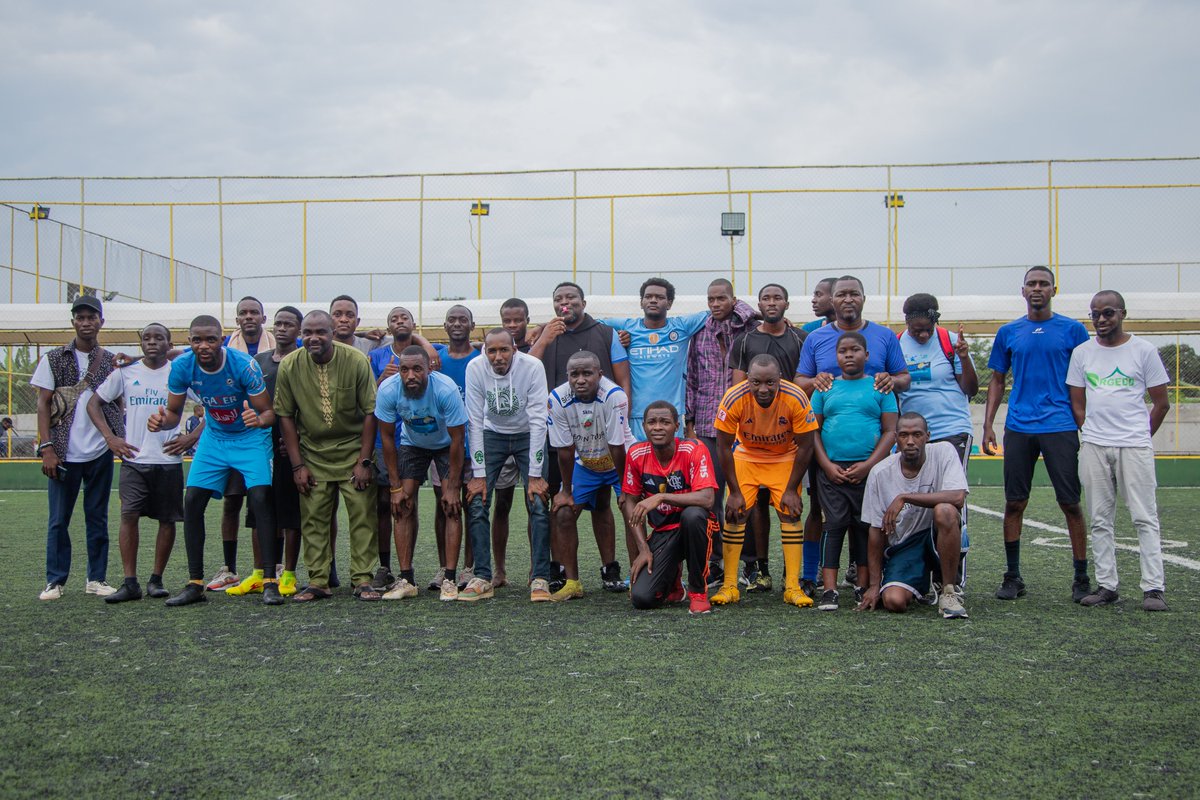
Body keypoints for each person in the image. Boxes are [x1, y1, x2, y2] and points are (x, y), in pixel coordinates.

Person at [151, 315, 281, 607]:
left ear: (222, 339)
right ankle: (195, 583)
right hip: (215, 438)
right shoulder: (182, 366)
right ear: (190, 342)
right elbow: (172, 414)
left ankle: (270, 580)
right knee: (193, 500)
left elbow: (269, 413)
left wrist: (257, 419)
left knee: (260, 498)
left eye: (211, 339)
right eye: (197, 340)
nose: (204, 345)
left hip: (249, 438)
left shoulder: (243, 366)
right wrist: (162, 422)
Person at [983, 265, 1092, 602]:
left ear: (1054, 290)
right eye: (1031, 283)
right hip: (1019, 425)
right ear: (1023, 291)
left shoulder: (1073, 331)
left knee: (1070, 503)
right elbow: (997, 380)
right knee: (1015, 502)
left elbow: (1087, 378)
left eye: (1044, 284)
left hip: (1060, 425)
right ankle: (1013, 576)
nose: (1037, 289)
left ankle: (1081, 578)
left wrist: (1088, 423)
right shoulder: (1009, 332)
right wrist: (988, 424)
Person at [797, 275, 909, 596]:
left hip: (869, 447)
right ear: (832, 301)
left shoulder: (885, 336)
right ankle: (812, 574)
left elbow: (904, 378)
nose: (848, 299)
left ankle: (868, 577)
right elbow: (798, 380)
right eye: (841, 294)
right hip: (829, 444)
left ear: (863, 298)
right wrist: (815, 380)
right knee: (821, 511)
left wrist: (891, 379)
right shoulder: (815, 338)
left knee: (867, 518)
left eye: (854, 294)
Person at [1068, 291, 1171, 612]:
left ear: (1122, 313)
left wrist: (1139, 434)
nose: (1101, 320)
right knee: (1099, 518)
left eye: (1108, 313)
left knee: (1144, 516)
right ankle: (1107, 586)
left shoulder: (1144, 351)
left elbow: (1161, 402)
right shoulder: (1082, 353)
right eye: (1095, 314)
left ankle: (1153, 588)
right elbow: (1077, 401)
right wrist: (1092, 432)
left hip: (1135, 445)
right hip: (1095, 446)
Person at [86, 323, 200, 603]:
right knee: (128, 516)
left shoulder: (179, 373)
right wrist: (111, 438)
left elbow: (211, 405)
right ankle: (130, 582)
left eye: (158, 338)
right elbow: (93, 404)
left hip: (168, 459)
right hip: (134, 459)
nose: (152, 342)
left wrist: (191, 437)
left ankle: (156, 580)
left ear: (168, 343)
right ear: (141, 343)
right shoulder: (125, 372)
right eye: (147, 338)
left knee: (168, 519)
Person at [531, 282, 631, 591]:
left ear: (583, 302)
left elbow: (623, 380)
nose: (565, 303)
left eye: (570, 297)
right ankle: (563, 573)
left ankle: (612, 570)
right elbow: (526, 367)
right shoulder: (546, 334)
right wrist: (544, 338)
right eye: (558, 298)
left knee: (607, 505)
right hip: (563, 430)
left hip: (607, 432)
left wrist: (620, 416)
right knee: (560, 505)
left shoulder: (606, 333)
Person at [276, 310, 381, 601]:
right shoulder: (290, 365)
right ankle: (318, 581)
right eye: (307, 333)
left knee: (362, 515)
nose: (313, 338)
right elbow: (285, 415)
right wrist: (298, 465)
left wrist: (364, 462)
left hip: (353, 452)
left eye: (320, 332)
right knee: (314, 518)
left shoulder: (356, 360)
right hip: (312, 454)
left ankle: (362, 580)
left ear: (332, 332)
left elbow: (371, 413)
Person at [33, 295, 123, 600]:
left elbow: (119, 401)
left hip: (99, 451)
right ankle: (55, 581)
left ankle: (95, 578)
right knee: (59, 519)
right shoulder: (54, 358)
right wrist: (47, 447)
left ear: (101, 322)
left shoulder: (111, 361)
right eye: (80, 317)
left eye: (91, 317)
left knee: (97, 517)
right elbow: (43, 404)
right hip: (62, 452)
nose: (86, 323)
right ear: (73, 322)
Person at [710, 354, 818, 608]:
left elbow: (806, 446)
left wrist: (792, 488)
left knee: (791, 512)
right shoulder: (734, 397)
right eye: (756, 382)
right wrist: (734, 491)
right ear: (747, 379)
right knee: (736, 512)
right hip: (747, 456)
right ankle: (729, 586)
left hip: (784, 457)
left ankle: (792, 587)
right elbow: (723, 448)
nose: (763, 389)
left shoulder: (796, 397)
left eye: (770, 382)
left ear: (780, 378)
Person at [811, 331, 899, 611]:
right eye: (843, 351)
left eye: (855, 350)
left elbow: (890, 431)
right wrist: (826, 465)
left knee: (864, 528)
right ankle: (829, 590)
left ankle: (862, 586)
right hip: (832, 470)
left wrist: (869, 465)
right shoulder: (825, 389)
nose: (849, 355)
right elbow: (812, 431)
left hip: (869, 473)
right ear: (836, 357)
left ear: (867, 356)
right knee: (833, 526)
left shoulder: (880, 388)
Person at [727, 283, 807, 593]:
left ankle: (793, 576)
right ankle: (761, 570)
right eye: (766, 298)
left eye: (777, 297)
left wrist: (794, 413)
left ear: (787, 302)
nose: (771, 302)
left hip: (789, 433)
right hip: (751, 438)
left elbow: (805, 379)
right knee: (753, 505)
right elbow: (737, 389)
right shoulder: (746, 339)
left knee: (790, 505)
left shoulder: (800, 338)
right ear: (758, 303)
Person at [463, 328, 552, 601]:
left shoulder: (533, 367)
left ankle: (540, 577)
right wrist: (478, 474)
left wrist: (535, 475)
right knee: (477, 499)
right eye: (492, 351)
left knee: (537, 501)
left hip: (528, 434)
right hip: (492, 434)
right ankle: (482, 576)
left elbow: (539, 419)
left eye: (504, 350)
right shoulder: (475, 368)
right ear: (485, 351)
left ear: (515, 349)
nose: (498, 356)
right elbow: (475, 422)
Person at [896, 293, 978, 587]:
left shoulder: (948, 341)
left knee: (950, 504)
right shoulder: (896, 344)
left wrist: (965, 357)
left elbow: (970, 389)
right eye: (917, 329)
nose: (922, 334)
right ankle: (920, 575)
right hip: (913, 434)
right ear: (906, 322)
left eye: (927, 329)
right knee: (918, 503)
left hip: (952, 429)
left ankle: (952, 580)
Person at [375, 347, 468, 601]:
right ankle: (406, 579)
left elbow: (459, 439)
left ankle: (449, 579)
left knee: (450, 506)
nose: (410, 375)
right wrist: (395, 488)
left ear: (429, 368)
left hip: (446, 445)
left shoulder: (446, 390)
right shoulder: (388, 390)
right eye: (405, 369)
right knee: (402, 504)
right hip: (412, 444)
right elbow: (386, 437)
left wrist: (452, 488)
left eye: (417, 369)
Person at [685, 278, 759, 589]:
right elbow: (691, 377)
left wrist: (738, 312)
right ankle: (713, 562)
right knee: (710, 495)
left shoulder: (748, 327)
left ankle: (751, 562)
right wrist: (688, 421)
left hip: (744, 424)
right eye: (711, 299)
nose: (716, 304)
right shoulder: (700, 331)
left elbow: (752, 314)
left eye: (722, 298)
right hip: (707, 422)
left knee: (745, 494)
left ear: (733, 298)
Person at [858, 412, 970, 619]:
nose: (910, 441)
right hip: (906, 544)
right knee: (893, 601)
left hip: (937, 535)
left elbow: (957, 497)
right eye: (904, 435)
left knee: (944, 510)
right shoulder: (880, 473)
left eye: (917, 434)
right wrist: (874, 585)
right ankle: (920, 582)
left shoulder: (944, 451)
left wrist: (905, 497)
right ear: (895, 439)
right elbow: (875, 530)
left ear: (927, 436)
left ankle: (948, 591)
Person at [228, 306, 304, 597]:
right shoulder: (256, 362)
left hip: (291, 447)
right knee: (258, 510)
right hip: (259, 447)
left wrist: (297, 437)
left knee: (290, 513)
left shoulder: (303, 360)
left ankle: (289, 574)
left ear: (298, 330)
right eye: (279, 323)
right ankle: (260, 572)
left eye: (289, 324)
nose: (283, 328)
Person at [547, 350, 635, 601]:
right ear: (567, 377)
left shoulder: (614, 395)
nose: (580, 379)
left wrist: (626, 489)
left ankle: (637, 577)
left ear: (600, 374)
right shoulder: (556, 398)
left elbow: (617, 446)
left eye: (587, 373)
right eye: (574, 374)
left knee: (632, 511)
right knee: (564, 512)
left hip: (620, 462)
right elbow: (564, 450)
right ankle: (573, 582)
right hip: (586, 463)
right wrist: (566, 491)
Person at [365, 305, 440, 591]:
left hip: (422, 437)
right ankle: (385, 566)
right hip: (387, 438)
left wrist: (425, 343)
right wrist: (381, 379)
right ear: (387, 326)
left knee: (411, 502)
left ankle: (414, 570)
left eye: (404, 317)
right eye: (394, 318)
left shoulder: (427, 354)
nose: (399, 321)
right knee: (386, 503)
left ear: (413, 323)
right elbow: (368, 397)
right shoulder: (376, 356)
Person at [622, 401, 719, 615]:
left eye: (664, 422)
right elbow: (629, 501)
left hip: (694, 528)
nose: (657, 427)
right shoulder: (636, 454)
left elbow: (707, 498)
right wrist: (643, 549)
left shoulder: (693, 449)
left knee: (693, 516)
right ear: (644, 427)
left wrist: (661, 497)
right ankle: (674, 584)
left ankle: (698, 592)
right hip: (663, 532)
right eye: (652, 422)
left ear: (676, 426)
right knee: (642, 598)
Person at [208, 296, 272, 592]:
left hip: (263, 436)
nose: (248, 317)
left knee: (264, 502)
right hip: (229, 437)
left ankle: (270, 567)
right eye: (243, 313)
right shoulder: (223, 351)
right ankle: (229, 568)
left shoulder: (275, 347)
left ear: (263, 318)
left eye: (254, 313)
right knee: (232, 501)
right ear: (237, 320)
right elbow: (184, 352)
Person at [601, 277, 709, 440]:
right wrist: (616, 336)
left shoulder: (681, 327)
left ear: (669, 303)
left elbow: (720, 309)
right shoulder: (628, 327)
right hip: (637, 416)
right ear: (641, 302)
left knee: (671, 464)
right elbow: (590, 324)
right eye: (648, 296)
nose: (653, 300)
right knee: (640, 463)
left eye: (659, 297)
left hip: (671, 416)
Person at [433, 304, 482, 588]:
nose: (457, 324)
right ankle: (443, 567)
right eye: (452, 319)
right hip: (442, 445)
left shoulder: (481, 358)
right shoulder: (435, 358)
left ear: (472, 325)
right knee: (444, 506)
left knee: (472, 505)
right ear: (445, 325)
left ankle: (468, 567)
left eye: (463, 319)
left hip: (474, 443)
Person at [490, 298, 536, 586]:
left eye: (517, 320)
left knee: (535, 503)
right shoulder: (493, 353)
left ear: (527, 320)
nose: (512, 325)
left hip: (530, 435)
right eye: (507, 320)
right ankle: (500, 570)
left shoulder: (535, 347)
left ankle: (536, 569)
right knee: (501, 503)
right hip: (499, 434)